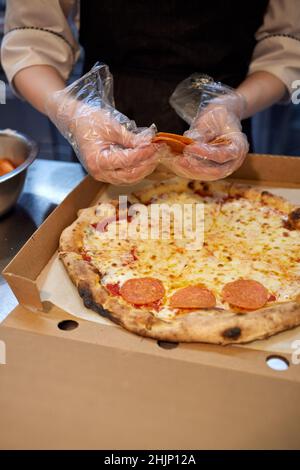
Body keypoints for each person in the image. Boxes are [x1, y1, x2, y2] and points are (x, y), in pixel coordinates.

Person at [1, 0, 299, 183]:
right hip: (105, 128)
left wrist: (233, 105)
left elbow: (286, 46)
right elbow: (30, 40)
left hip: (221, 128)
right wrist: (75, 113)